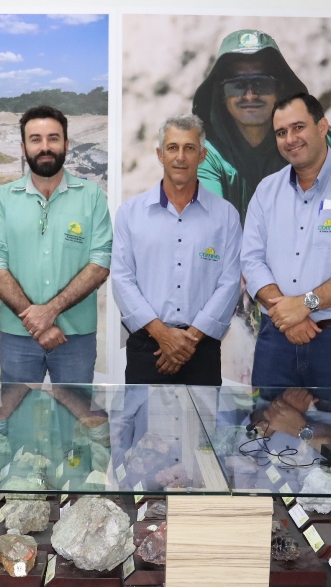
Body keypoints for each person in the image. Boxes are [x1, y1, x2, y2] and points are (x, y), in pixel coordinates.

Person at [241, 93, 331, 412]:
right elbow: (252, 260)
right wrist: (287, 314)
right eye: (281, 132)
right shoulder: (267, 191)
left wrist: (305, 305)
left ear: (322, 126)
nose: (290, 139)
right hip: (277, 342)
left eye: (298, 127)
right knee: (269, 443)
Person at [0, 105, 112, 384]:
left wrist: (50, 311)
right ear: (23, 147)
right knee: (18, 420)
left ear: (66, 144)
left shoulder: (92, 197)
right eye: (36, 139)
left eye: (53, 138)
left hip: (75, 338)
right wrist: (37, 324)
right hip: (18, 337)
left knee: (73, 418)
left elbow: (100, 264)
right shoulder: (4, 199)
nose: (45, 147)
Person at [112, 114, 242, 385]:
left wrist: (189, 339)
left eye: (189, 148)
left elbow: (229, 283)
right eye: (172, 147)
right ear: (160, 154)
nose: (180, 156)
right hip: (147, 347)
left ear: (203, 155)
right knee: (143, 428)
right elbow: (122, 279)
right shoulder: (131, 213)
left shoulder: (226, 215)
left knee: (201, 428)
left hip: (202, 348)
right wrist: (163, 335)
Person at [193, 29, 321, 225]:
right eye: (236, 86)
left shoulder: (311, 141)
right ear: (221, 95)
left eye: (262, 84)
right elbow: (210, 227)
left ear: (280, 91)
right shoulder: (206, 156)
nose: (250, 95)